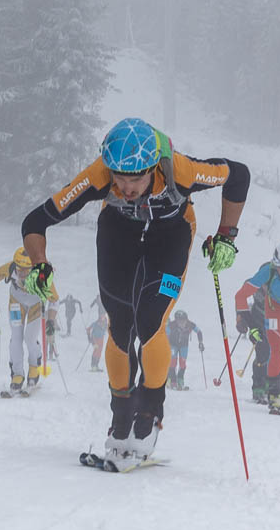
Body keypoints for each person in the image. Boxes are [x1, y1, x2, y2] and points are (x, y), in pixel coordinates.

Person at [18, 117, 247, 468]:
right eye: (119, 178)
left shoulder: (179, 170)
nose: (126, 187)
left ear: (153, 167)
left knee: (150, 321)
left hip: (171, 238)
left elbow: (238, 174)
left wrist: (227, 236)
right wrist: (39, 264)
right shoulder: (100, 174)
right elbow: (36, 221)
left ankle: (149, 416)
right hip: (119, 237)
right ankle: (121, 418)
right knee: (120, 325)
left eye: (135, 179)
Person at [234, 243, 280, 414]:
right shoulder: (269, 271)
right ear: (276, 265)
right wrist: (247, 322)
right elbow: (241, 296)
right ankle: (274, 397)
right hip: (276, 310)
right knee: (275, 353)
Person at [0, 247, 57, 397]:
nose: (21, 273)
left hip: (36, 303)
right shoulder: (10, 267)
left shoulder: (42, 274)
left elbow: (55, 301)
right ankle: (17, 376)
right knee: (16, 338)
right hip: (16, 302)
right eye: (19, 269)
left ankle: (34, 368)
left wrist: (51, 321)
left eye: (26, 270)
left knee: (29, 338)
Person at [164, 309, 197, 390]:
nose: (182, 323)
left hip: (184, 346)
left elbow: (199, 332)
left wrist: (200, 343)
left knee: (182, 364)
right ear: (176, 320)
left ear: (186, 320)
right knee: (172, 363)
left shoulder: (190, 324)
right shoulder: (171, 325)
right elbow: (165, 334)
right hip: (173, 345)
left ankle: (180, 380)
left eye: (183, 321)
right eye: (179, 321)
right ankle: (172, 381)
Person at [85, 301, 109, 371]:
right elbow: (88, 329)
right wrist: (89, 338)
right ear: (100, 317)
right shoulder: (96, 323)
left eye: (104, 316)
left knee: (99, 352)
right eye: (102, 316)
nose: (103, 317)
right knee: (96, 351)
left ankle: (96, 366)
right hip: (95, 338)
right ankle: (93, 366)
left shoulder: (105, 324)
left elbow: (108, 329)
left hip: (101, 339)